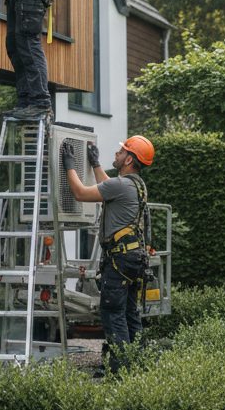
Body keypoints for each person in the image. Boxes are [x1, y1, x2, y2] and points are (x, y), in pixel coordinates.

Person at [59, 134, 155, 373]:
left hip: (120, 260)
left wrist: (69, 165)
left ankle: (119, 370)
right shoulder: (136, 185)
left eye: (121, 151)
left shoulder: (121, 185)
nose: (117, 153)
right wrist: (95, 164)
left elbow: (81, 193)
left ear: (129, 159)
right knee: (130, 312)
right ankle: (136, 365)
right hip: (134, 259)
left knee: (113, 313)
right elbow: (108, 188)